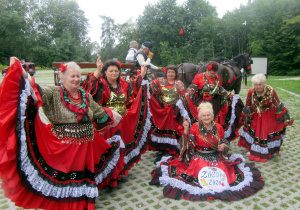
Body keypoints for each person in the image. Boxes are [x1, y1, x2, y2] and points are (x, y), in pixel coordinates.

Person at [0, 57, 123, 210]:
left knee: (85, 176)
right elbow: (33, 88)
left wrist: (112, 114)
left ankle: (85, 202)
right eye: (72, 76)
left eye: (78, 76)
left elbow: (97, 111)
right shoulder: (54, 92)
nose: (76, 79)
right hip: (65, 148)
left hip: (87, 147)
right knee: (68, 179)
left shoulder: (85, 95)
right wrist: (22, 72)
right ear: (63, 77)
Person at [149, 102, 264, 201]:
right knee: (198, 171)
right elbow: (188, 144)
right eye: (204, 115)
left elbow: (224, 141)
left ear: (212, 116)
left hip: (215, 156)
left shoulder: (218, 127)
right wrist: (186, 130)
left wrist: (223, 146)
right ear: (200, 117)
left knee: (225, 172)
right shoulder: (194, 127)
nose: (206, 117)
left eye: (208, 115)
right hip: (199, 156)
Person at [82, 56, 151, 176]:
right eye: (111, 71)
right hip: (108, 124)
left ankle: (120, 172)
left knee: (122, 148)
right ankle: (110, 176)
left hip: (123, 123)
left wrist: (142, 75)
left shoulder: (123, 84)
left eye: (116, 71)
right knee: (110, 149)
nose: (114, 73)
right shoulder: (101, 84)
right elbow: (89, 89)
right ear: (105, 73)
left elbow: (134, 87)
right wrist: (97, 70)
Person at [178, 61, 244, 141]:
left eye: (215, 73)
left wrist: (228, 94)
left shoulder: (217, 78)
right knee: (203, 120)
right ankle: (201, 139)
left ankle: (213, 140)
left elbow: (220, 89)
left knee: (214, 121)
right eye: (212, 73)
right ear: (207, 70)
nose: (213, 75)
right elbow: (193, 88)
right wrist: (188, 93)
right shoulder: (199, 77)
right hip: (202, 103)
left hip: (215, 103)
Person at [238, 73, 294, 162]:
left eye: (260, 84)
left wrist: (282, 117)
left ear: (264, 84)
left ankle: (268, 151)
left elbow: (277, 103)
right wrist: (247, 118)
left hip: (269, 113)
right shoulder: (251, 91)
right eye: (256, 85)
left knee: (267, 130)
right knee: (253, 128)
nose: (258, 87)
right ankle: (251, 148)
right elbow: (248, 104)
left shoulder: (271, 91)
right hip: (256, 113)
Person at [148, 65, 186, 158]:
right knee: (161, 129)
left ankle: (172, 147)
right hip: (162, 110)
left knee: (174, 129)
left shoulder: (179, 84)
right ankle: (162, 148)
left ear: (176, 73)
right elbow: (151, 86)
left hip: (174, 111)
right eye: (169, 72)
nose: (170, 74)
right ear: (166, 73)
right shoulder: (160, 81)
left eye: (172, 72)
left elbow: (183, 97)